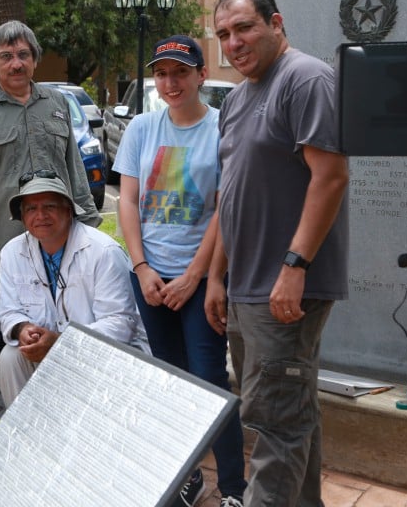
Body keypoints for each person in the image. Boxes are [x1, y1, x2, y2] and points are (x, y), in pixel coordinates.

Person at [206, 0, 349, 507]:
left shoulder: (306, 79)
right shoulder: (237, 99)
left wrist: (295, 264)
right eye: (223, 33)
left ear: (276, 24)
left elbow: (330, 177)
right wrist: (217, 276)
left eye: (244, 27)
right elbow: (231, 197)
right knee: (285, 415)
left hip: (286, 285)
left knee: (275, 425)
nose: (233, 43)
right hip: (246, 287)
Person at [114, 35, 247, 507]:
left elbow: (222, 210)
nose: (170, 83)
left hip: (203, 277)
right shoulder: (141, 130)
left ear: (201, 75)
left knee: (210, 378)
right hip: (150, 277)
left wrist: (196, 275)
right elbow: (127, 201)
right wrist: (142, 267)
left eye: (181, 72)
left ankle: (233, 486)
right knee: (168, 380)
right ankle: (184, 476)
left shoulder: (221, 129)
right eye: (162, 73)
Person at [0, 20, 102, 394]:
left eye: (22, 55)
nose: (15, 64)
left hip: (60, 244)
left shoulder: (57, 104)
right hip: (1, 251)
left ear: (34, 60)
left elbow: (73, 170)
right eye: (6, 57)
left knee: (63, 329)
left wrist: (90, 226)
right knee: (1, 339)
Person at [0, 173, 145, 406]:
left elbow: (120, 324)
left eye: (49, 206)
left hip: (102, 356)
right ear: (22, 217)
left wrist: (61, 342)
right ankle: (26, 433)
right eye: (31, 208)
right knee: (10, 357)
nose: (40, 215)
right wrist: (23, 329)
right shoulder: (12, 252)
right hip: (48, 350)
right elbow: (8, 312)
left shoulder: (103, 251)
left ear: (69, 210)